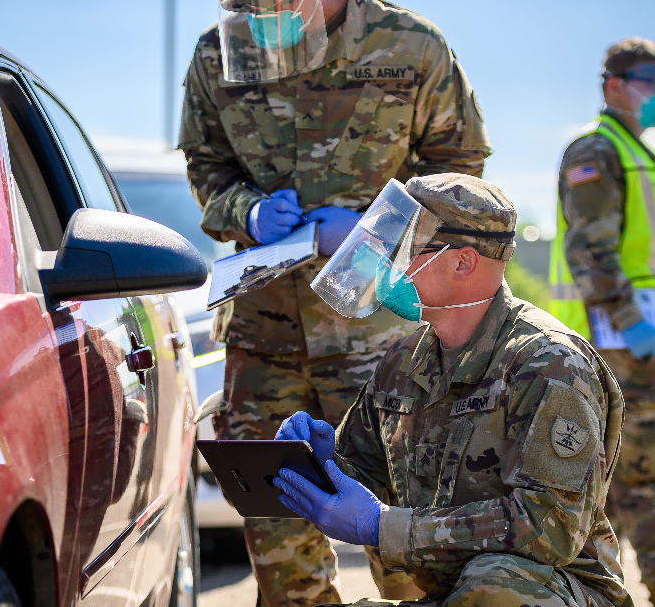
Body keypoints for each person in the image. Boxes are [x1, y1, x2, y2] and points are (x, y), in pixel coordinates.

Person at [178, 0, 492, 603]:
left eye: (272, 8)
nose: (259, 24)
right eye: (246, 11)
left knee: (409, 541)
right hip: (264, 339)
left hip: (385, 341)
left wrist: (377, 232)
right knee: (278, 544)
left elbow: (462, 170)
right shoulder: (218, 53)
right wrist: (250, 210)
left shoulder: (412, 45)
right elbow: (206, 167)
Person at [275, 173, 631, 607]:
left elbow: (548, 528)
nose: (386, 263)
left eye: (403, 248)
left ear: (462, 263)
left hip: (548, 592)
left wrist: (382, 526)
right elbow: (365, 480)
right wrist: (323, 462)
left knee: (495, 583)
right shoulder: (402, 362)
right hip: (444, 594)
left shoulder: (549, 363)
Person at [548, 37, 655, 599]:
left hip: (640, 342)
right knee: (631, 486)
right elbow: (592, 251)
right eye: (646, 77)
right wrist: (628, 321)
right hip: (618, 345)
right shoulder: (597, 150)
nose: (653, 90)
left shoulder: (640, 152)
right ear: (612, 84)